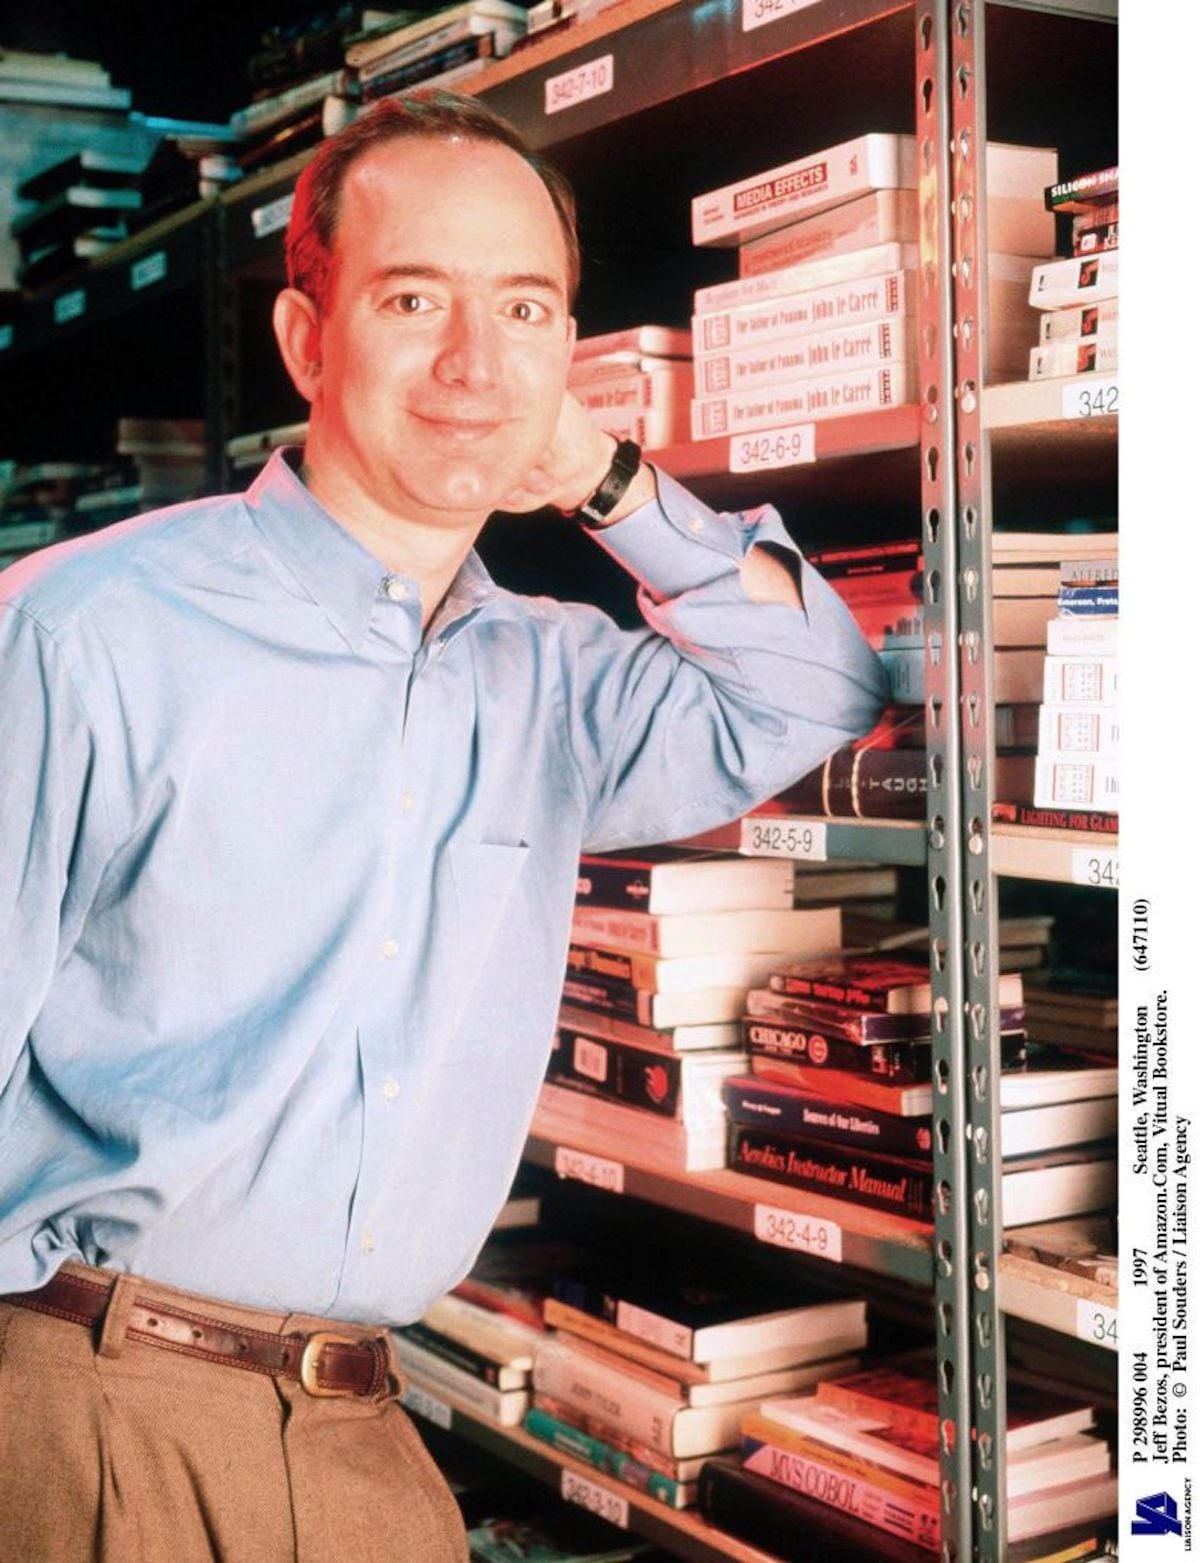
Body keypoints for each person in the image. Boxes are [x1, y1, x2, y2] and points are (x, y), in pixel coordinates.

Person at [0, 91, 887, 1561]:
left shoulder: (551, 676)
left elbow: (821, 687)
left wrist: (608, 483)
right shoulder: (84, 633)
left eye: (525, 309)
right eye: (416, 299)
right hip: (85, 1418)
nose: (476, 363)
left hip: (363, 1437)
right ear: (307, 341)